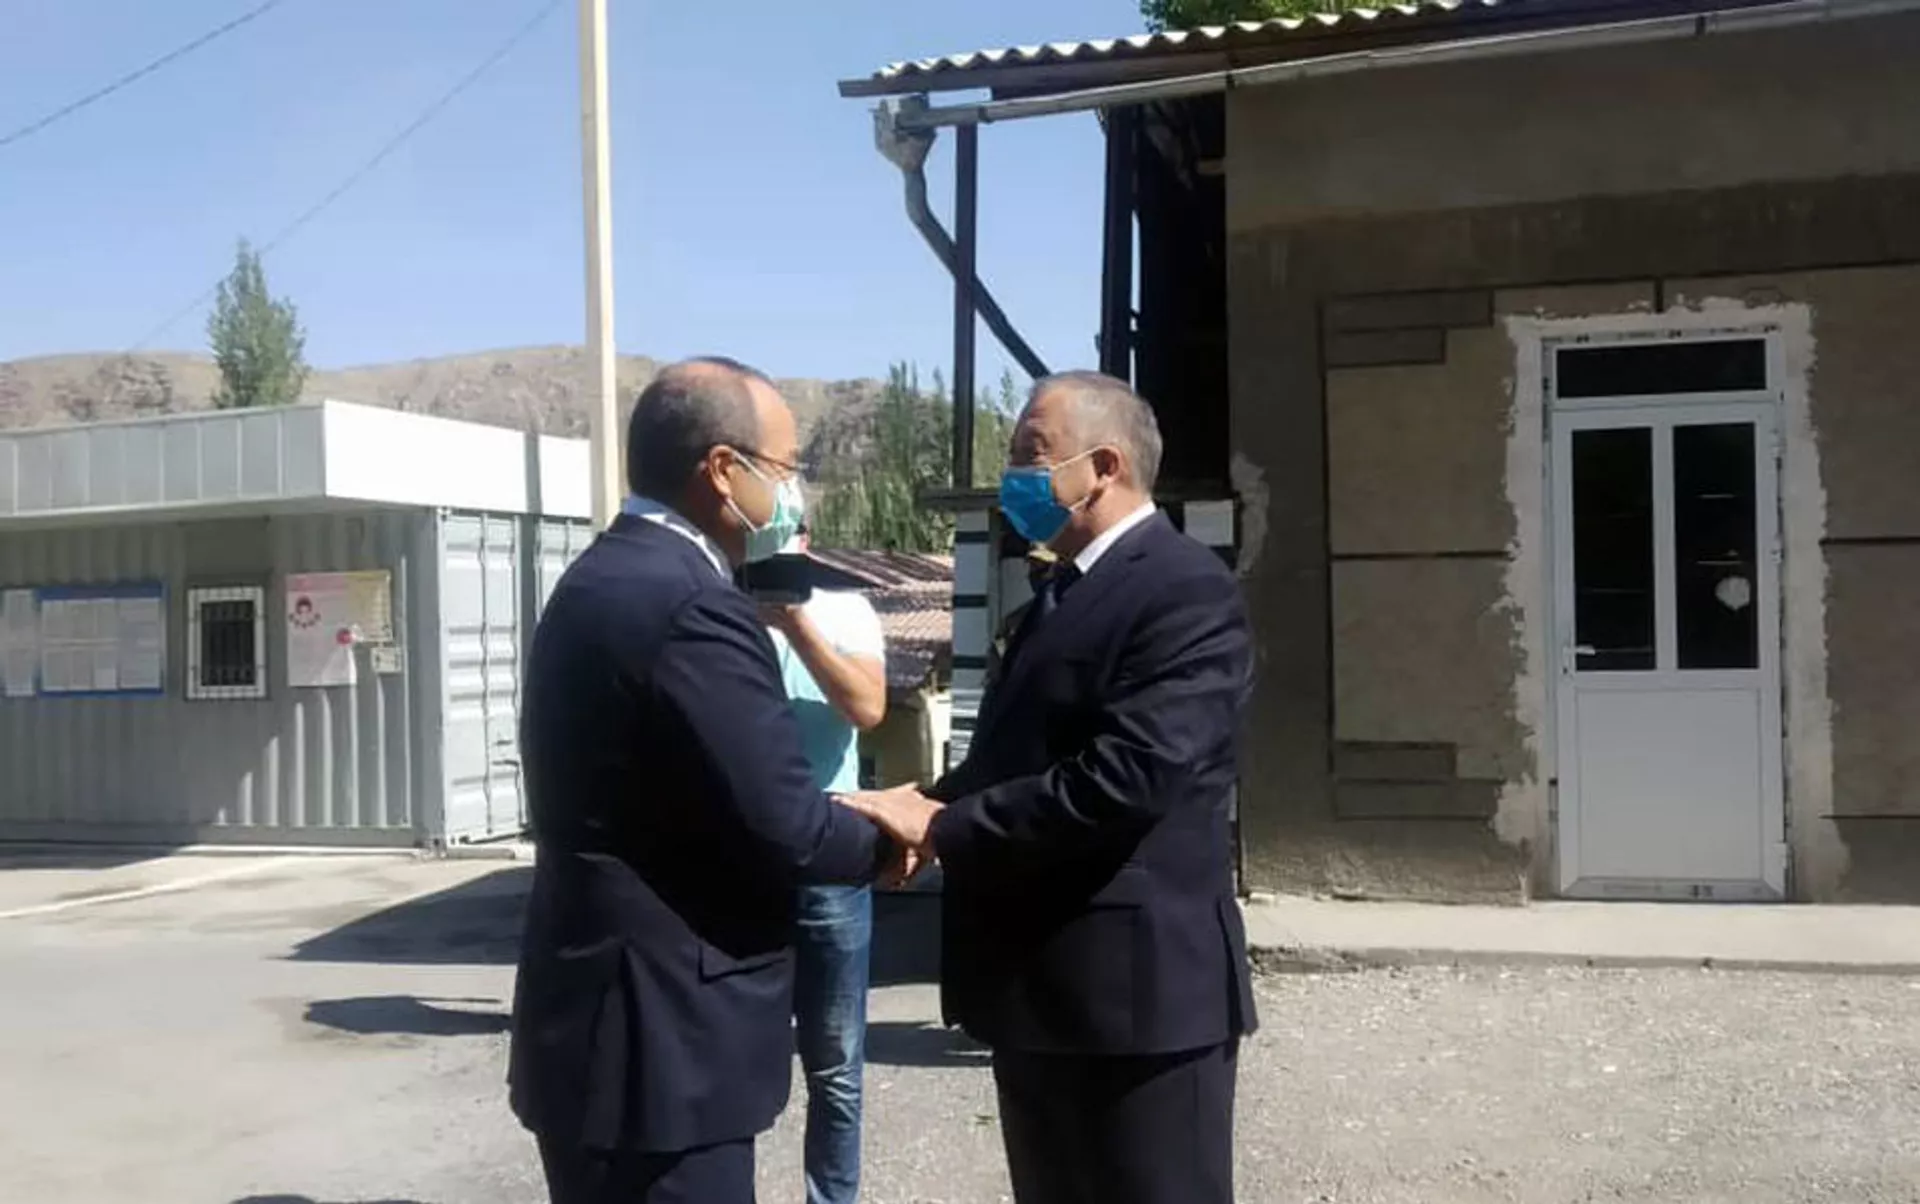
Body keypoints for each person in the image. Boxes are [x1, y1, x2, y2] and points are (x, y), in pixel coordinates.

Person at [845, 370, 1258, 1204]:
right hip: (1040, 995)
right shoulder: (1058, 594)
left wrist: (945, 827)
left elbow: (1125, 779)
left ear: (1104, 466)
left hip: (1139, 1005)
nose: (1013, 477)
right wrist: (917, 807)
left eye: (1031, 454)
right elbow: (1012, 763)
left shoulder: (1183, 589)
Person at [509, 357, 901, 1204]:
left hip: (599, 1030)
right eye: (786, 469)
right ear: (724, 470)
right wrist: (896, 833)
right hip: (659, 1049)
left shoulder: (601, 576)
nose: (792, 494)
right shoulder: (692, 602)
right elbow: (787, 824)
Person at [761, 524, 888, 1204]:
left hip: (826, 862)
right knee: (724, 1055)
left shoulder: (844, 611)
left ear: (805, 540)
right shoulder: (708, 607)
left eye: (783, 531)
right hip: (735, 861)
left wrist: (794, 622)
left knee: (835, 1065)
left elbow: (867, 707)